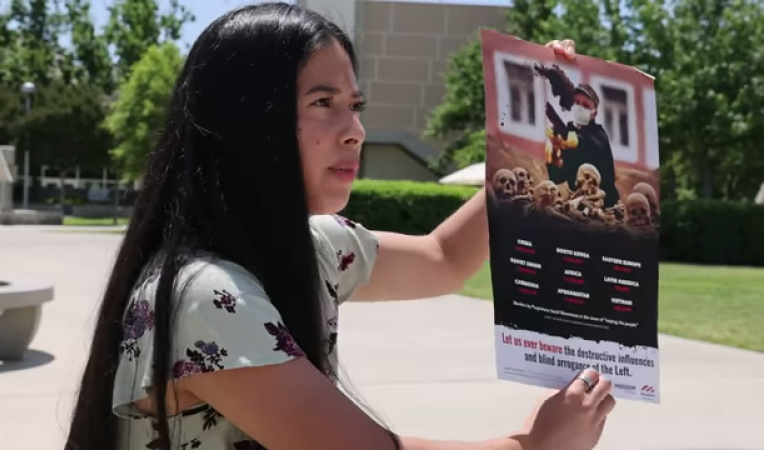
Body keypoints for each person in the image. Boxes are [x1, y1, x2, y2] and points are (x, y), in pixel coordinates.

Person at [63, 4, 615, 450]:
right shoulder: (202, 295)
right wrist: (536, 445)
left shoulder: (315, 245)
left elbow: (444, 258)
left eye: (355, 104)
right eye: (322, 102)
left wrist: (528, 134)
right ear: (247, 124)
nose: (354, 129)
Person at [546, 84, 621, 207]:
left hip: (605, 203)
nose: (580, 107)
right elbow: (557, 177)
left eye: (585, 105)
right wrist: (554, 153)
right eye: (577, 102)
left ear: (594, 113)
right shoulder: (568, 130)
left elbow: (587, 144)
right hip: (575, 200)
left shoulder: (599, 135)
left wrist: (567, 139)